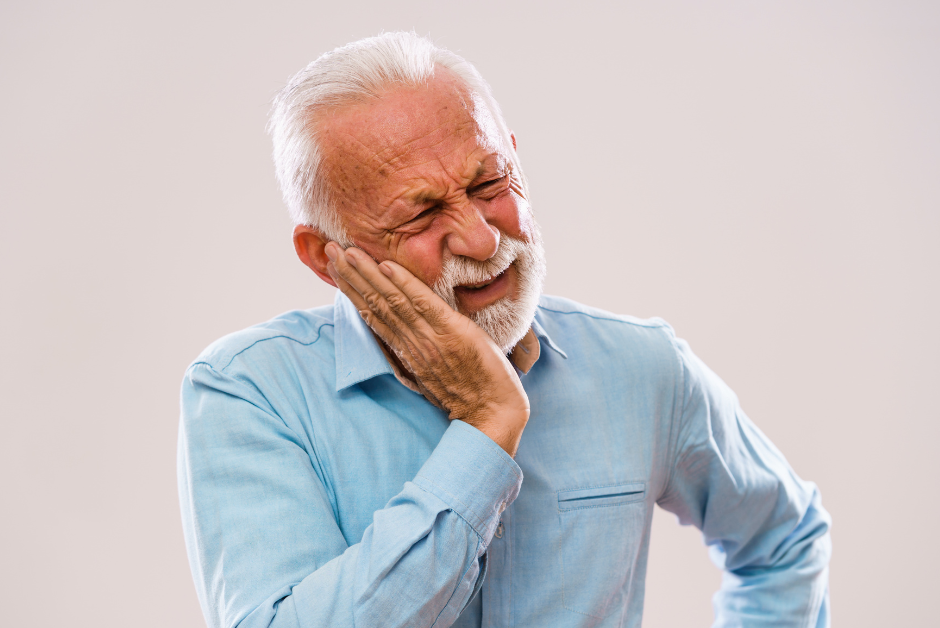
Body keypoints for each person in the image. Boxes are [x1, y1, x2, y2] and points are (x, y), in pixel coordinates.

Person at [177, 32, 831, 628]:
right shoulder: (247, 393)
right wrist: (487, 427)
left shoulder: (642, 365)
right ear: (328, 257)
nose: (483, 236)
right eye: (422, 213)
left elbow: (783, 541)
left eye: (490, 182)